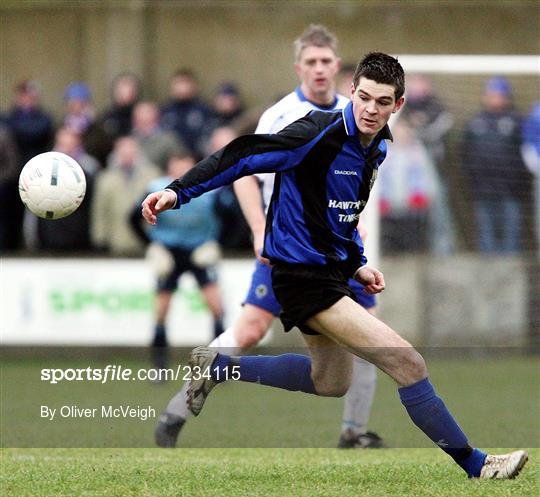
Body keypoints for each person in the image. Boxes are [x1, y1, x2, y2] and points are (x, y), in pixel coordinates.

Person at [143, 52, 528, 479]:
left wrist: (357, 264)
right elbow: (241, 156)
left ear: (397, 106)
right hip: (300, 278)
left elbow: (340, 215)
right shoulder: (315, 132)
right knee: (409, 363)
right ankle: (478, 465)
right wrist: (178, 192)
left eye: (382, 102)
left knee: (330, 382)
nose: (370, 109)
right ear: (352, 92)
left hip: (330, 274)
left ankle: (219, 366)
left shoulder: (377, 146)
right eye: (364, 97)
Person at [154, 25, 384, 450]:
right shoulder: (281, 116)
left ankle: (354, 430)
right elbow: (244, 174)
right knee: (249, 329)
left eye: (326, 61)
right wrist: (260, 231)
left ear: (338, 67)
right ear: (299, 67)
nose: (319, 69)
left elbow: (354, 183)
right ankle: (175, 412)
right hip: (288, 247)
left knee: (369, 332)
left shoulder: (357, 115)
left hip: (337, 252)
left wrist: (354, 224)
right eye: (310, 62)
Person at [130, 151, 225, 369]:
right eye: (177, 165)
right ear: (169, 169)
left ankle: (220, 363)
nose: (182, 170)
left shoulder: (210, 190)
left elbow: (232, 218)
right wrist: (152, 245)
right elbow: (132, 218)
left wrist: (216, 243)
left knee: (216, 306)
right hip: (169, 252)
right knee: (161, 310)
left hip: (199, 250)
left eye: (187, 165)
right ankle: (159, 365)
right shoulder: (157, 188)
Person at [461, 76, 531, 253]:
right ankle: (488, 263)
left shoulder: (517, 121)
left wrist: (517, 178)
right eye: (491, 94)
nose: (494, 98)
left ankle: (512, 261)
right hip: (482, 187)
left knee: (511, 229)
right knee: (486, 229)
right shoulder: (475, 122)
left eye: (498, 94)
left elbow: (525, 152)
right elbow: (465, 152)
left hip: (510, 188)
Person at [91, 136, 159, 255]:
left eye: (131, 152)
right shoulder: (105, 178)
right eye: (123, 153)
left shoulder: (152, 175)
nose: (127, 156)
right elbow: (99, 211)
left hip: (145, 241)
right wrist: (99, 238)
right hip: (116, 241)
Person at [36, 127, 99, 251]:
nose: (67, 149)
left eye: (71, 145)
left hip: (79, 237)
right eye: (63, 145)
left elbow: (93, 206)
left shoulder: (89, 170)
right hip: (50, 237)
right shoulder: (42, 171)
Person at [160, 68, 211, 159]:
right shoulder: (165, 110)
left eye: (186, 83)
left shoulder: (204, 110)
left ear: (194, 86)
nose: (182, 87)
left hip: (198, 161)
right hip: (170, 161)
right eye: (178, 83)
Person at [131, 101, 185, 172]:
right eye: (139, 113)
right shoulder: (129, 140)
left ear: (156, 116)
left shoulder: (168, 139)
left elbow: (180, 162)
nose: (143, 116)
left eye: (147, 112)